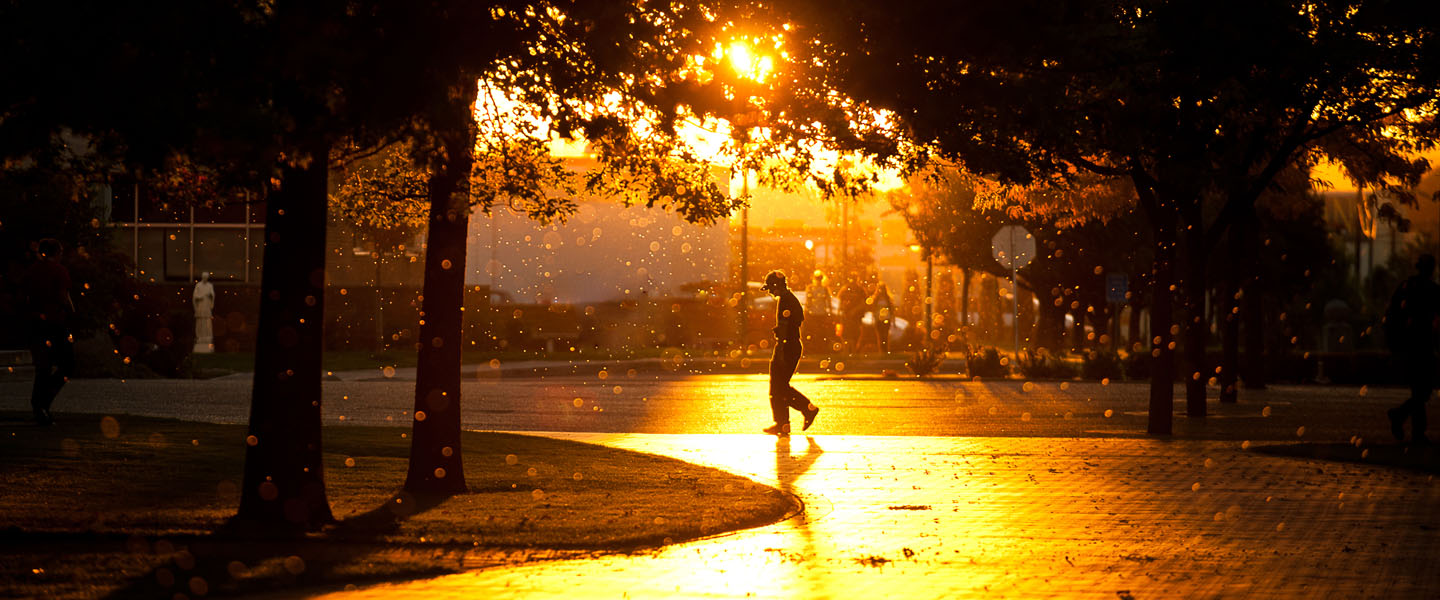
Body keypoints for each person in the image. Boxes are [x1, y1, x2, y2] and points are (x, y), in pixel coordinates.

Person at [1385, 254, 1440, 444]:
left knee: (1418, 390)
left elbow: (1392, 312)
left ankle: (1415, 430)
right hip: (1422, 344)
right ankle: (1402, 418)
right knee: (1423, 391)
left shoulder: (1407, 286)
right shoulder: (1431, 289)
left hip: (1408, 344)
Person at [22, 239, 76, 426]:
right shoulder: (59, 271)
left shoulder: (32, 271)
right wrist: (71, 312)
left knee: (43, 366)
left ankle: (39, 406)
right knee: (67, 364)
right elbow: (63, 296)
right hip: (55, 323)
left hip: (35, 323)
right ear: (57, 253)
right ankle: (43, 402)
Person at [760, 270, 820, 436]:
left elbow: (785, 328)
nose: (770, 292)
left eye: (770, 289)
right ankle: (783, 424)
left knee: (779, 387)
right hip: (789, 346)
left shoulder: (786, 300)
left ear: (776, 286)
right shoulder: (788, 299)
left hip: (787, 347)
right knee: (779, 386)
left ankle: (806, 409)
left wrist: (780, 350)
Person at [839, 274, 868, 354]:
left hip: (856, 316)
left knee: (855, 334)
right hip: (847, 315)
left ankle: (854, 350)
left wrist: (855, 310)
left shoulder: (860, 290)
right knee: (846, 334)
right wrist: (842, 310)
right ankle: (847, 351)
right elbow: (840, 301)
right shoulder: (845, 289)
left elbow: (864, 303)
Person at [871, 281, 894, 354]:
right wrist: (874, 317)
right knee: (880, 335)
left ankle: (886, 350)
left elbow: (891, 310)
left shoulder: (888, 299)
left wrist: (893, 319)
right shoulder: (876, 299)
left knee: (885, 335)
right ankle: (881, 350)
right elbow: (873, 309)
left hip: (887, 318)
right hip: (878, 319)